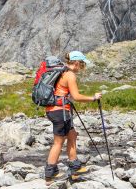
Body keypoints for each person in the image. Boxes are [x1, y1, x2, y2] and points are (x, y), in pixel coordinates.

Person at [43, 51, 102, 182]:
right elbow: (77, 97)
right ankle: (50, 173)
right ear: (76, 63)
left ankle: (74, 166)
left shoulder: (61, 71)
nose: (82, 68)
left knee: (72, 134)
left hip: (57, 110)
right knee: (58, 142)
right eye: (82, 64)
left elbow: (62, 92)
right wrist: (93, 98)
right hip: (60, 112)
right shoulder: (70, 75)